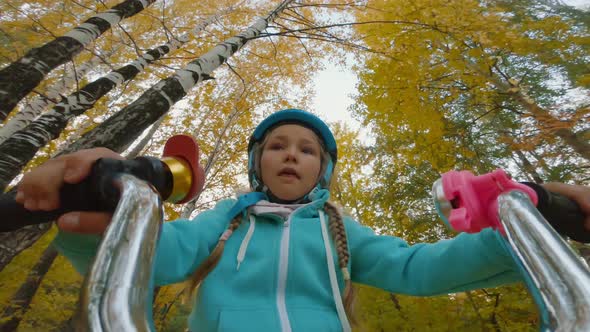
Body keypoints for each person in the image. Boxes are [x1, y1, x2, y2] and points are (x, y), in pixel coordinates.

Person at [15, 109, 590, 332]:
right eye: (278, 146)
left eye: (308, 149)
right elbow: (164, 258)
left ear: (323, 170)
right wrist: (96, 225)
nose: (292, 154)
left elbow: (416, 269)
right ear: (258, 163)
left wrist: (520, 230)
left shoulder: (338, 229)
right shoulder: (226, 220)